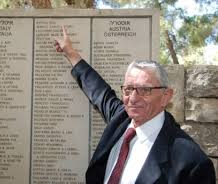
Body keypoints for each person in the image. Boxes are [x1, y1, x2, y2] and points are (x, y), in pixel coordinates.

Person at [54, 26, 216, 184]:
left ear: (166, 96)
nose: (133, 98)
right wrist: (71, 54)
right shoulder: (121, 118)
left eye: (145, 90)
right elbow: (99, 91)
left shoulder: (193, 164)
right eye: (129, 89)